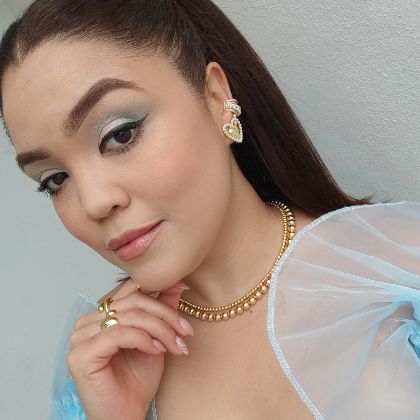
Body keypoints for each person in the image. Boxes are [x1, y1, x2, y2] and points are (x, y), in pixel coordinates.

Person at [1, 1, 419, 419]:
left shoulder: (399, 275)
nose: (94, 203)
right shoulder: (101, 369)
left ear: (217, 97)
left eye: (120, 134)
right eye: (55, 179)